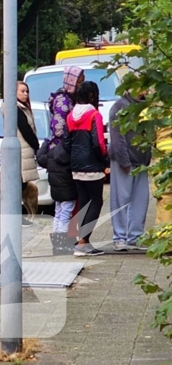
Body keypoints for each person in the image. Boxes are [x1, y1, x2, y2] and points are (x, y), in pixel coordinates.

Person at [38, 65, 83, 253]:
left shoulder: (61, 98)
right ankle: (62, 244)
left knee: (59, 207)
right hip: (62, 160)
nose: (81, 83)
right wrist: (70, 143)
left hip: (55, 160)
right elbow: (60, 129)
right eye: (79, 79)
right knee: (66, 205)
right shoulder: (64, 101)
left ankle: (58, 243)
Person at [65, 80, 108, 257]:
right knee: (96, 202)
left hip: (76, 165)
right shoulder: (94, 115)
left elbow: (66, 142)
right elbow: (99, 143)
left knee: (83, 202)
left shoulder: (70, 115)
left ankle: (82, 241)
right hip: (92, 165)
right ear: (92, 95)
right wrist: (105, 159)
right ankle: (83, 242)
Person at [108, 90, 150, 252]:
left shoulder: (145, 106)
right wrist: (124, 160)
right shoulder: (119, 106)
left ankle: (135, 237)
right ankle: (119, 237)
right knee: (121, 199)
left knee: (141, 200)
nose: (147, 89)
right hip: (124, 161)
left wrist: (147, 157)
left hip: (141, 161)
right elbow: (117, 136)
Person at [15, 81, 40, 225]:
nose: (25, 94)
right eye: (22, 91)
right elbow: (25, 130)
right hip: (23, 151)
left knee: (22, 186)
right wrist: (36, 144)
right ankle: (17, 218)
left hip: (25, 151)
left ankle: (20, 218)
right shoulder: (15, 108)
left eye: (27, 91)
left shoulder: (22, 108)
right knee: (19, 185)